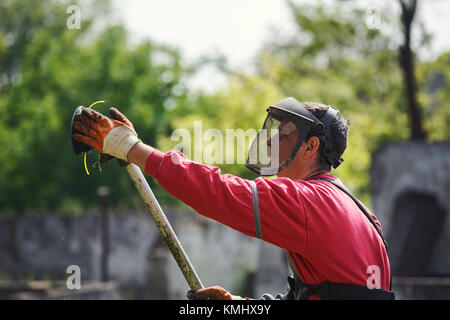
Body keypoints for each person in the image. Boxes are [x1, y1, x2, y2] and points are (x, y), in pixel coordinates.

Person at [72, 97, 394, 300]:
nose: (270, 145)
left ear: (310, 148)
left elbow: (217, 191)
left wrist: (131, 148)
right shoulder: (360, 211)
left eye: (283, 137)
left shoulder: (307, 201)